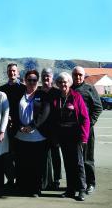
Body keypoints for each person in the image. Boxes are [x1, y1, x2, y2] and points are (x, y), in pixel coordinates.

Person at [51, 72, 90, 201]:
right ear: (57, 84)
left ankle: (82, 189)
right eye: (61, 82)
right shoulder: (57, 98)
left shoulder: (76, 97)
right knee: (67, 163)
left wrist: (84, 137)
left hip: (75, 136)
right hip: (62, 136)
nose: (63, 84)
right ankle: (70, 189)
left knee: (78, 163)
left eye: (65, 82)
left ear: (69, 83)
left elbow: (85, 118)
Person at [14, 70, 50, 197]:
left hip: (37, 136)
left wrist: (32, 126)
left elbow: (44, 112)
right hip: (21, 135)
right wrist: (20, 126)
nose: (32, 82)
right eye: (29, 80)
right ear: (25, 80)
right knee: (23, 163)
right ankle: (23, 187)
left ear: (37, 81)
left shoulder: (42, 95)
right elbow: (13, 112)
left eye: (34, 80)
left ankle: (35, 189)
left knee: (37, 165)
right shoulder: (19, 94)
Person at [71, 66, 103, 195]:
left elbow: (98, 108)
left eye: (80, 75)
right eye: (75, 75)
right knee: (75, 159)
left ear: (83, 76)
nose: (77, 77)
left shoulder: (89, 89)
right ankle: (76, 184)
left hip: (87, 130)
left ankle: (91, 183)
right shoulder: (69, 89)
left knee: (87, 159)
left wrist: (89, 124)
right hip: (71, 130)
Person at [0, 63, 26, 188]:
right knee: (7, 155)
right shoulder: (2, 89)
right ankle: (10, 179)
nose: (12, 73)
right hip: (7, 126)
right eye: (10, 71)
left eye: (14, 71)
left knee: (20, 155)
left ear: (17, 72)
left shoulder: (24, 88)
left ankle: (21, 180)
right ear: (7, 73)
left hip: (21, 126)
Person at [39, 68, 62, 190]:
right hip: (41, 130)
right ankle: (45, 180)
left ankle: (57, 179)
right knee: (43, 156)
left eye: (48, 76)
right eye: (43, 76)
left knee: (55, 155)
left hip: (55, 130)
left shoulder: (57, 93)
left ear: (52, 78)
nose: (46, 78)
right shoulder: (37, 92)